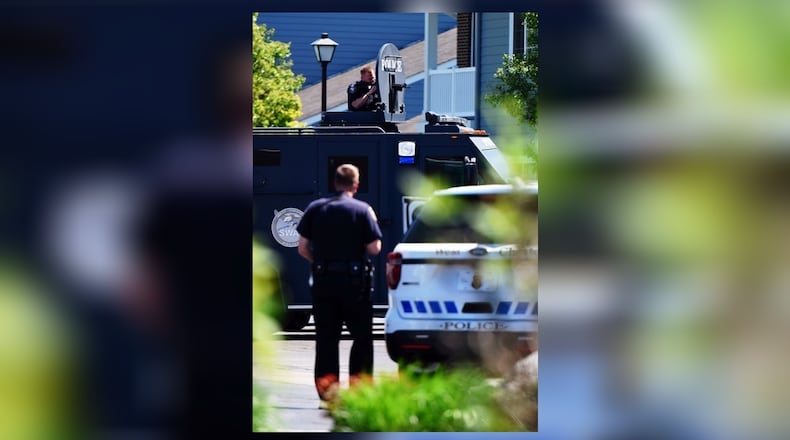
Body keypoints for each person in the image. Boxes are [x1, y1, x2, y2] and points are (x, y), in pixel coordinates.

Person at [296, 164, 383, 405]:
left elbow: (302, 247)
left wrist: (321, 262)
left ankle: (328, 392)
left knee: (326, 339)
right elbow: (374, 248)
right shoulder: (362, 210)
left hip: (324, 282)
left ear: (335, 183)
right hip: (355, 285)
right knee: (362, 337)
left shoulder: (315, 208)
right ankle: (359, 390)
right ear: (356, 184)